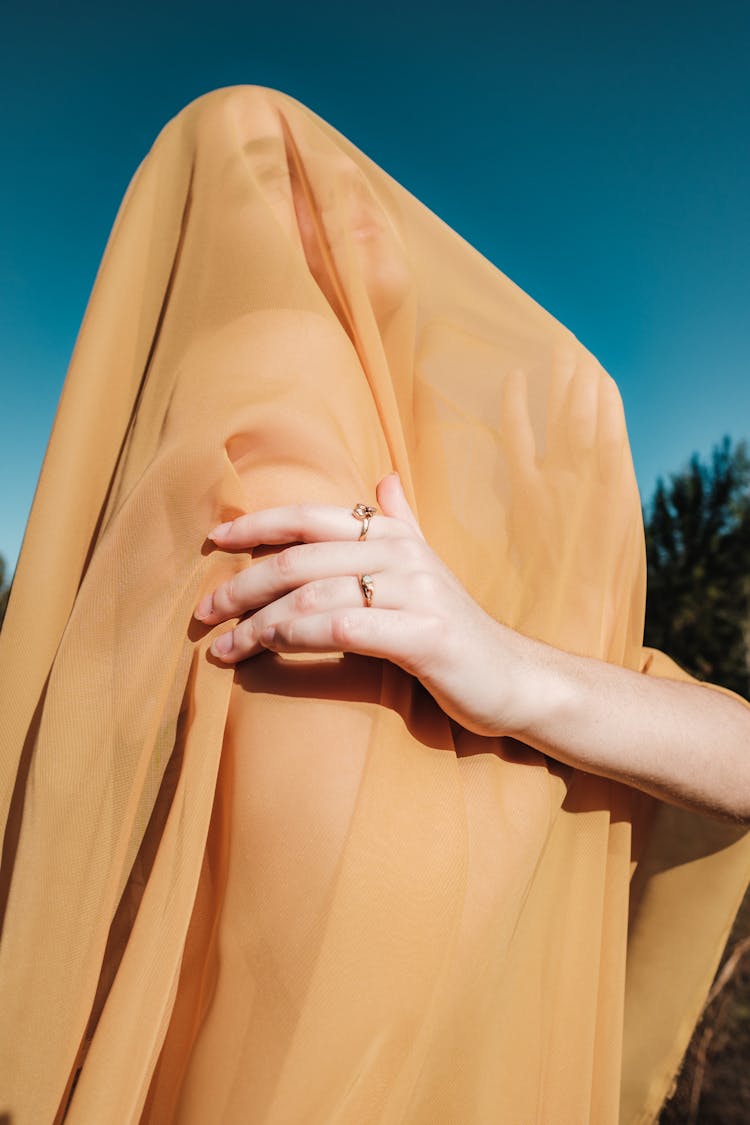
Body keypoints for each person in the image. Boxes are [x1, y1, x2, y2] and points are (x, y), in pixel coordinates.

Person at [0, 85, 748, 1125]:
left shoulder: (472, 571)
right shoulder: (268, 389)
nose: (343, 205)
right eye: (269, 183)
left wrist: (514, 674)